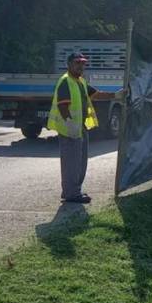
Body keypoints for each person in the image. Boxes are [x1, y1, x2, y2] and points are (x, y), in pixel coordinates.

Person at [51, 52, 100, 205]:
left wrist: (116, 96)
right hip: (70, 130)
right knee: (72, 163)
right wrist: (70, 124)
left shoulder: (80, 82)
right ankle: (72, 194)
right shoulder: (66, 81)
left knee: (79, 163)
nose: (81, 66)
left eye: (83, 63)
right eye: (77, 63)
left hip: (80, 128)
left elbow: (97, 95)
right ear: (69, 64)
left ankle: (72, 191)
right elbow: (62, 106)